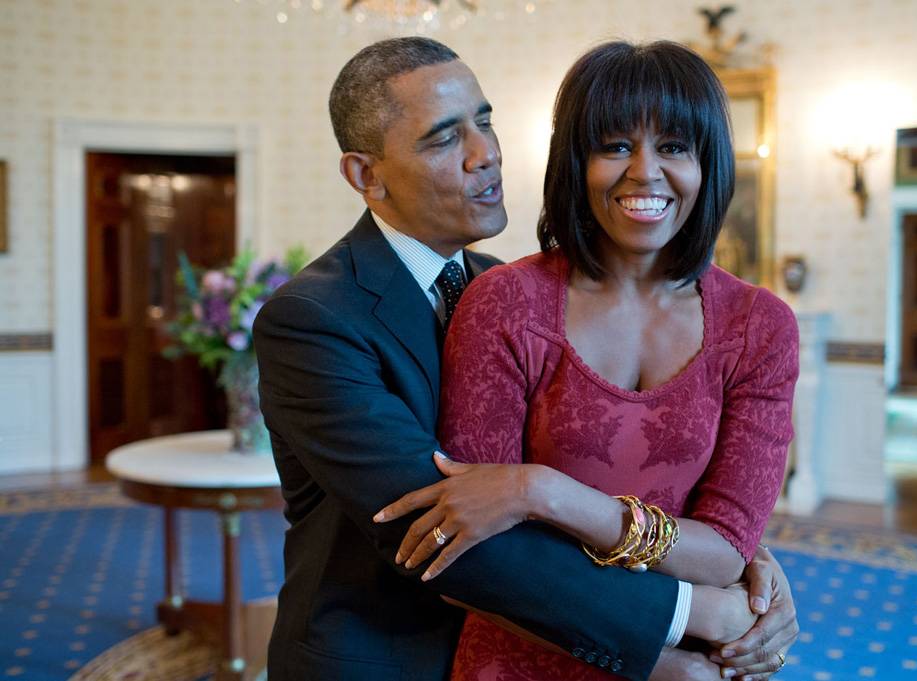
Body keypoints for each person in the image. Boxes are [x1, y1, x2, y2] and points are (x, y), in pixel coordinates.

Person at [255, 36, 794, 681]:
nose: (487, 154)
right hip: (387, 655)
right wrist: (688, 617)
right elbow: (451, 530)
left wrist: (744, 559)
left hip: (538, 635)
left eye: (485, 121)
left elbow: (646, 494)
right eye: (444, 138)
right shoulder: (314, 320)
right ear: (366, 175)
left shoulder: (499, 286)